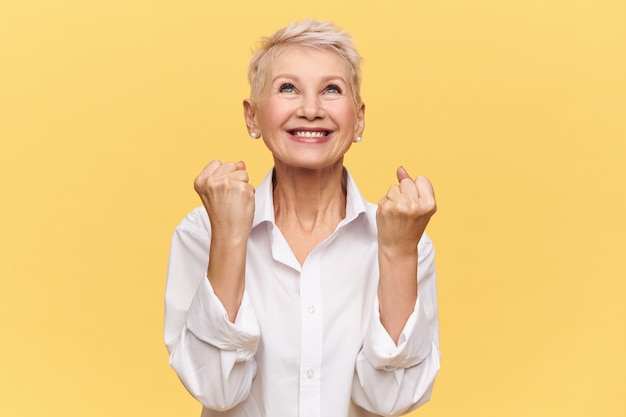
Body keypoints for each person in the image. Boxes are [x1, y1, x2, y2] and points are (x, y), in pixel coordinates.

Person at [164, 20, 440, 417]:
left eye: (331, 89)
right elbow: (215, 389)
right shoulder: (202, 232)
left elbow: (392, 401)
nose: (311, 110)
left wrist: (397, 253)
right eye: (287, 88)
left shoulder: (407, 239)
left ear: (358, 119)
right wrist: (228, 238)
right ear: (252, 117)